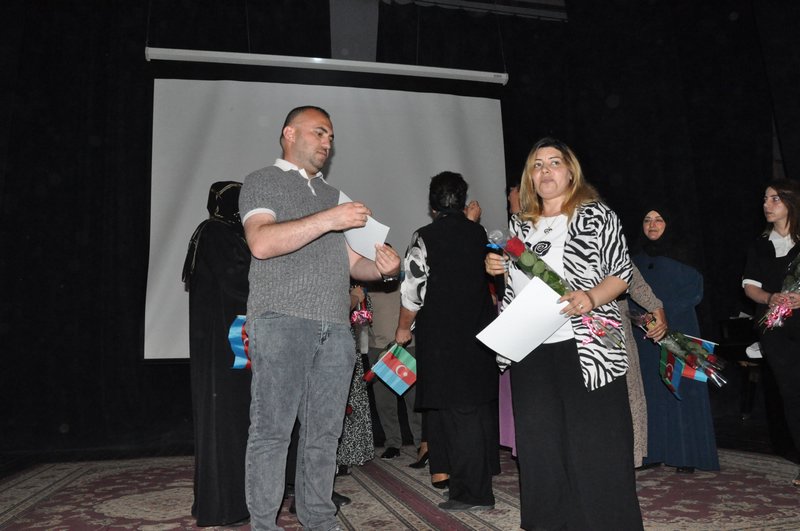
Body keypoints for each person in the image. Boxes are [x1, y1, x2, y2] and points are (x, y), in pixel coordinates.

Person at [239, 105, 400, 531]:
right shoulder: (262, 181)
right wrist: (330, 218)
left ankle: (319, 519)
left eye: (331, 136)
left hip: (336, 329)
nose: (327, 142)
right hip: (281, 321)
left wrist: (383, 268)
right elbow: (260, 243)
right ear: (289, 134)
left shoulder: (334, 196)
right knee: (272, 432)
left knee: (325, 435)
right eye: (319, 132)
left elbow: (353, 264)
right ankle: (264, 526)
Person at [485, 137, 642, 530]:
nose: (545, 171)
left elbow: (621, 274)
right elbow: (515, 284)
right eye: (537, 165)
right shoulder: (519, 225)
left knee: (597, 444)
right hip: (531, 347)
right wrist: (496, 267)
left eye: (554, 163)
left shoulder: (596, 215)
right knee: (540, 446)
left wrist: (590, 297)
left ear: (571, 171)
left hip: (588, 345)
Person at [395, 171, 499, 512]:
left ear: (432, 204)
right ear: (463, 200)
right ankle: (473, 484)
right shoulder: (479, 233)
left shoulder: (424, 236)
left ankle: (472, 494)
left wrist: (403, 329)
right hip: (479, 334)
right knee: (474, 411)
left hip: (443, 338)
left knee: (457, 415)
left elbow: (412, 292)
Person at [182, 181, 251, 527]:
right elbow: (240, 282)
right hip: (226, 345)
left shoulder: (219, 234)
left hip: (226, 341)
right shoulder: (216, 233)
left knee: (234, 420)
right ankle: (226, 504)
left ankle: (233, 498)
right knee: (228, 421)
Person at [631, 206, 720, 473]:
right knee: (649, 391)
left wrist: (663, 315)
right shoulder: (633, 258)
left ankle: (687, 456)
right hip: (644, 333)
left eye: (659, 219)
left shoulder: (686, 254)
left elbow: (694, 292)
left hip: (680, 328)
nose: (652, 225)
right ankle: (651, 453)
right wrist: (644, 318)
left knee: (682, 388)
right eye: (647, 220)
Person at [742, 179, 800, 487]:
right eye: (765, 199)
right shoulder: (759, 245)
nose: (767, 204)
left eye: (775, 199)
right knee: (792, 394)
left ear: (791, 202)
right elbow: (750, 288)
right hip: (775, 330)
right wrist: (770, 298)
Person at [365, 277, 423, 461]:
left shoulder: (407, 279)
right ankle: (392, 443)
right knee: (384, 402)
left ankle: (421, 443)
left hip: (406, 345)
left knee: (413, 400)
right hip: (378, 347)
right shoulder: (365, 281)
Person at [619, 265, 668, 467]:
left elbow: (630, 275)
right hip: (567, 327)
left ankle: (624, 461)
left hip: (613, 327)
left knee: (626, 394)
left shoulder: (610, 245)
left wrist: (656, 308)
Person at [335, 284, 375, 475]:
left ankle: (350, 455)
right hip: (329, 347)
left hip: (350, 348)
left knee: (353, 403)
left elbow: (364, 319)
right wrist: (353, 298)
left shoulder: (356, 287)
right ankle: (334, 457)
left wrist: (359, 300)